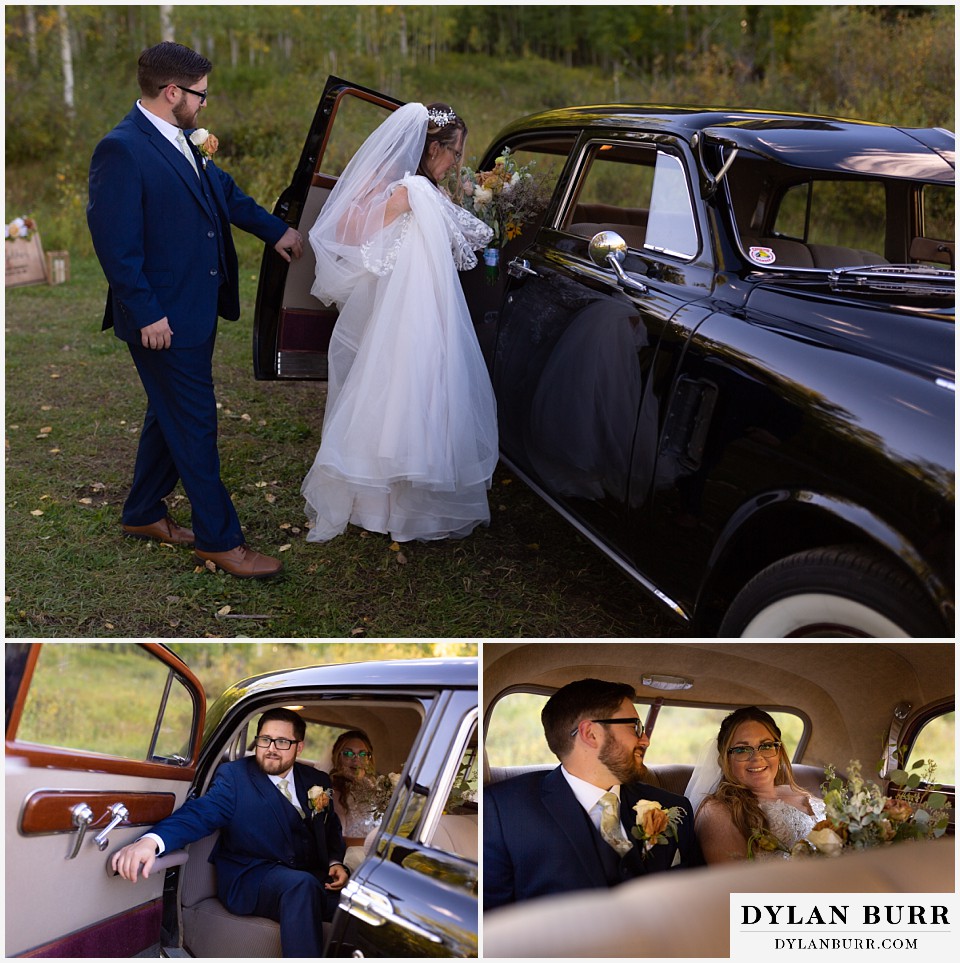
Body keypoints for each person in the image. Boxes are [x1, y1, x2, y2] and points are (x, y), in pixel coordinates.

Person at [87, 41, 303, 579]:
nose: (206, 104)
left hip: (197, 307)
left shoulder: (186, 139)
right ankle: (220, 539)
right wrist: (146, 313)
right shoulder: (121, 149)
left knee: (170, 413)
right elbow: (116, 245)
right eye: (200, 95)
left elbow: (224, 194)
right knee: (195, 422)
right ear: (171, 92)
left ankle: (141, 513)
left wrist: (277, 231)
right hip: (162, 318)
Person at [302, 101, 498, 542]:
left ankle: (390, 504)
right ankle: (393, 504)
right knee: (406, 390)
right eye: (455, 153)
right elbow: (475, 236)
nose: (457, 163)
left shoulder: (420, 191)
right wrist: (404, 207)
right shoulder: (411, 191)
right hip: (411, 310)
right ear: (432, 150)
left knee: (404, 392)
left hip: (424, 306)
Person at [111, 708, 348, 957]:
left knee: (360, 909)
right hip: (252, 877)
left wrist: (335, 862)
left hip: (313, 879)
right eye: (265, 739)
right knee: (301, 885)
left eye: (282, 742)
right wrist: (151, 842)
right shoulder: (235, 777)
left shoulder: (317, 780)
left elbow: (329, 827)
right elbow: (200, 814)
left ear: (299, 748)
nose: (271, 748)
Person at [484, 679, 703, 910]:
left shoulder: (674, 808)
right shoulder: (503, 812)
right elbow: (493, 922)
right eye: (635, 727)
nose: (645, 740)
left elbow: (698, 899)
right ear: (590, 733)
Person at [689, 706, 826, 863]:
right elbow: (734, 883)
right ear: (725, 759)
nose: (757, 758)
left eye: (766, 746)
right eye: (742, 749)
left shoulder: (801, 793)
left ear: (779, 752)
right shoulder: (718, 811)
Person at [329, 729, 382, 872]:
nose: (356, 759)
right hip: (353, 859)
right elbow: (338, 841)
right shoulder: (333, 793)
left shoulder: (378, 788)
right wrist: (377, 843)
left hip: (381, 854)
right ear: (337, 757)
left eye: (363, 754)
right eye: (348, 753)